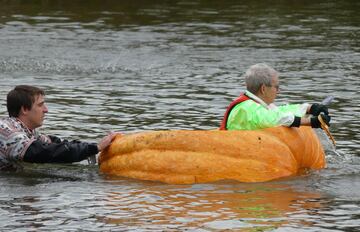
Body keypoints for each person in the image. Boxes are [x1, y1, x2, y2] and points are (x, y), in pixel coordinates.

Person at [0, 85, 118, 171]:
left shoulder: (28, 132)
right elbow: (44, 152)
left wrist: (95, 146)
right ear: (24, 109)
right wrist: (95, 148)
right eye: (40, 105)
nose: (46, 110)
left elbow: (57, 145)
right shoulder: (7, 131)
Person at [220, 63, 331, 130]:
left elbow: (279, 112)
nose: (279, 91)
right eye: (276, 87)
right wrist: (311, 122)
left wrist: (309, 108)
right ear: (263, 88)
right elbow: (276, 119)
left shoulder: (255, 104)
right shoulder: (247, 108)